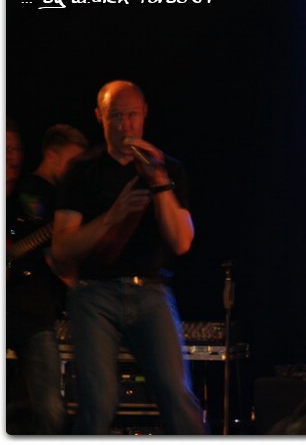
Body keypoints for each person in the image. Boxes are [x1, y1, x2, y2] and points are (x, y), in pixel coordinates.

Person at [51, 80, 207, 434]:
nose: (125, 126)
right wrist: (112, 216)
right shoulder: (82, 170)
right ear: (99, 117)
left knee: (176, 394)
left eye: (132, 115)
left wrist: (159, 181)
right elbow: (62, 248)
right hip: (94, 294)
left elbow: (182, 242)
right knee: (98, 401)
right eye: (116, 117)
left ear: (145, 114)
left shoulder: (169, 168)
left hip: (150, 291)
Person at [6, 123, 89, 434]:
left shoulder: (43, 194)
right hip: (21, 309)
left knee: (50, 410)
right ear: (52, 155)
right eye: (72, 162)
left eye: (15, 149)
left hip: (35, 317)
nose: (11, 157)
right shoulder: (35, 193)